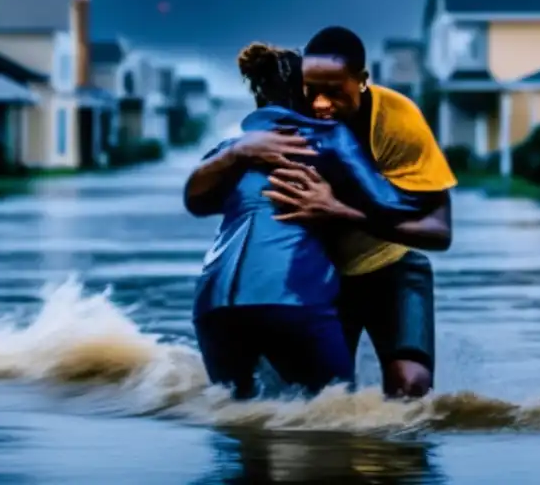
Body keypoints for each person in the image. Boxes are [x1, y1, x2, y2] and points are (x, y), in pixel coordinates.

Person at [185, 27, 456, 398]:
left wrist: (338, 210)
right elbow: (198, 199)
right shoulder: (262, 141)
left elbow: (439, 230)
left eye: (333, 92)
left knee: (408, 387)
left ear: (360, 81)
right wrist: (239, 151)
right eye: (312, 91)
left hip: (387, 265)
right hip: (320, 277)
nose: (321, 105)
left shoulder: (394, 120)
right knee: (319, 405)